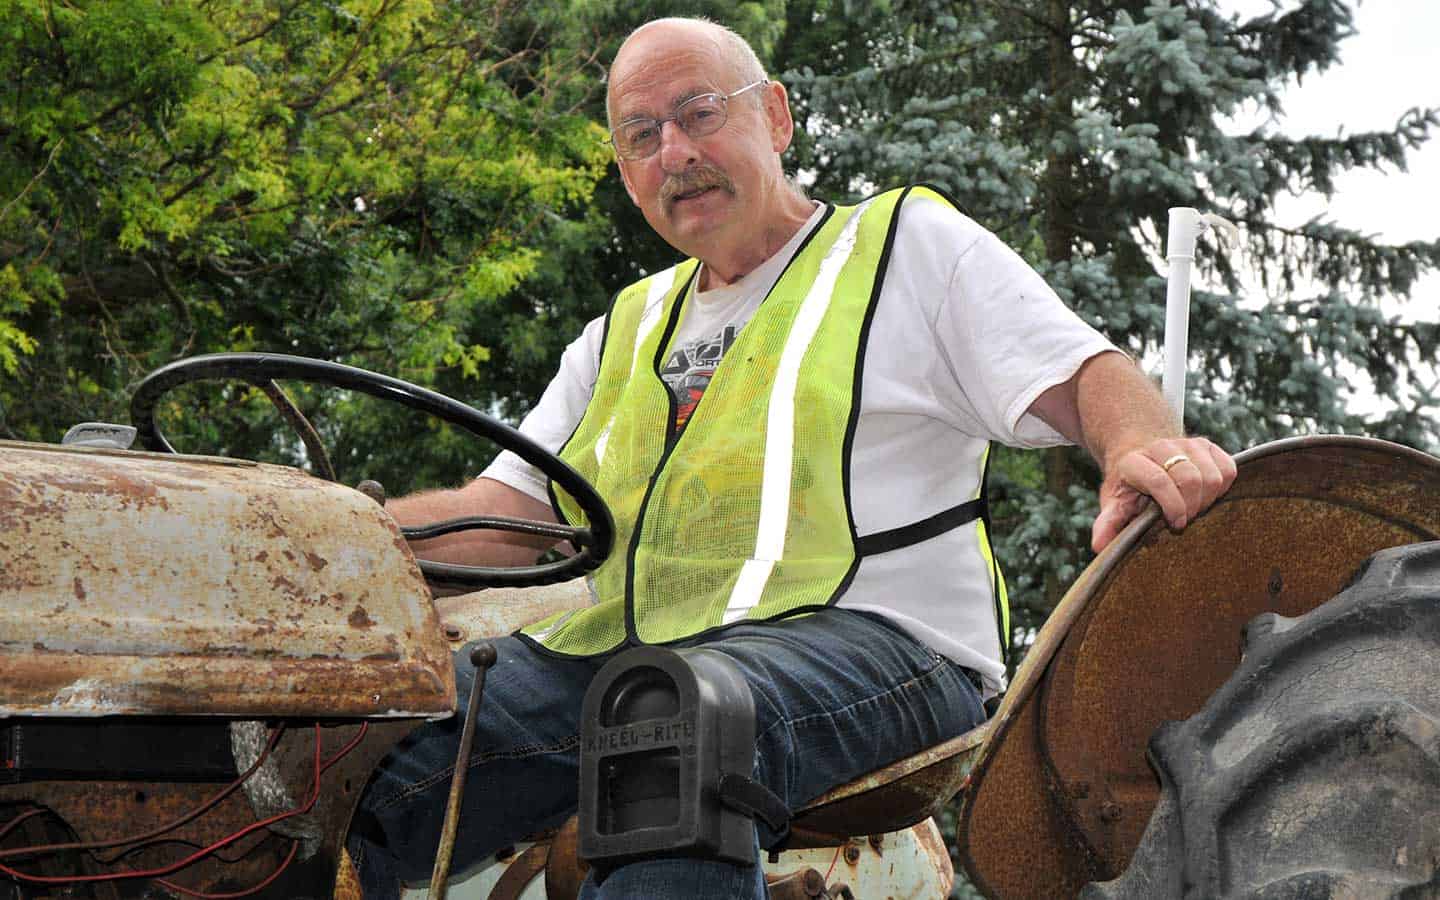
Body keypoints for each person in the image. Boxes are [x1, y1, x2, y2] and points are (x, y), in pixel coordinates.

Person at [348, 16, 1236, 899]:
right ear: (624, 171)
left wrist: (1143, 446)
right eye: (642, 135)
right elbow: (503, 517)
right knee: (349, 729)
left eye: (699, 113)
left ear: (775, 117)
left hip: (885, 647)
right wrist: (323, 543)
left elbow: (1084, 374)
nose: (675, 153)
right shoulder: (621, 329)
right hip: (624, 664)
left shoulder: (901, 248)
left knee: (675, 715)